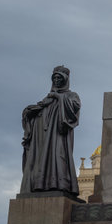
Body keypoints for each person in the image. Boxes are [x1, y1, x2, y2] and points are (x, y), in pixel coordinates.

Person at [20, 65, 81, 195]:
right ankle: (40, 185)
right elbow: (39, 112)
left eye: (60, 78)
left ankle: (59, 184)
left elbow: (74, 109)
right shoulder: (46, 98)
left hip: (59, 134)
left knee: (59, 156)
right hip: (43, 136)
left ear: (65, 80)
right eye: (55, 78)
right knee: (41, 159)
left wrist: (58, 97)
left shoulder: (71, 95)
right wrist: (30, 112)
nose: (57, 80)